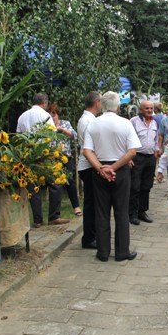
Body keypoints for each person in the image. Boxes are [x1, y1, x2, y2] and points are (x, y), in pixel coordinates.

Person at [83, 91, 140, 262]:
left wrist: (101, 168)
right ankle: (122, 252)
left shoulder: (93, 124)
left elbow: (87, 151)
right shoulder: (125, 123)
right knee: (122, 212)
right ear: (118, 106)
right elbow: (133, 151)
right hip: (120, 169)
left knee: (101, 212)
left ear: (102, 104)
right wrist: (114, 167)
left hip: (99, 170)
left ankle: (103, 252)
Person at [16, 93, 69, 228]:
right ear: (44, 103)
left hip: (28, 154)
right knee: (55, 183)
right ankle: (53, 216)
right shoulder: (45, 116)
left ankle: (37, 220)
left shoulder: (22, 116)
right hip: (44, 153)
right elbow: (51, 135)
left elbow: (18, 136)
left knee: (33, 186)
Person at [129, 100, 160, 225]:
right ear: (141, 109)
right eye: (147, 108)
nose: (149, 110)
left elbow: (156, 138)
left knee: (147, 186)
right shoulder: (133, 122)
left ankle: (142, 211)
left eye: (151, 108)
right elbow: (128, 139)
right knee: (135, 186)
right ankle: (132, 213)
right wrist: (129, 157)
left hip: (150, 157)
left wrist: (157, 150)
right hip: (137, 157)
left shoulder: (155, 122)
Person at [77, 91, 101, 250]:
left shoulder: (88, 119)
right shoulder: (88, 121)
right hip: (88, 165)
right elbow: (89, 148)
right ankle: (89, 237)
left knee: (92, 202)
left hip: (89, 164)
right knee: (91, 203)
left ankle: (92, 234)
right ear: (97, 103)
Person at [48, 103, 80, 216]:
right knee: (55, 184)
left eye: (54, 114)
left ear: (58, 114)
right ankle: (55, 211)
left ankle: (76, 206)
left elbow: (74, 135)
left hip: (66, 157)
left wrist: (62, 130)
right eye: (50, 114)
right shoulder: (47, 126)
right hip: (53, 158)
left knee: (70, 182)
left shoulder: (65, 123)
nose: (53, 117)